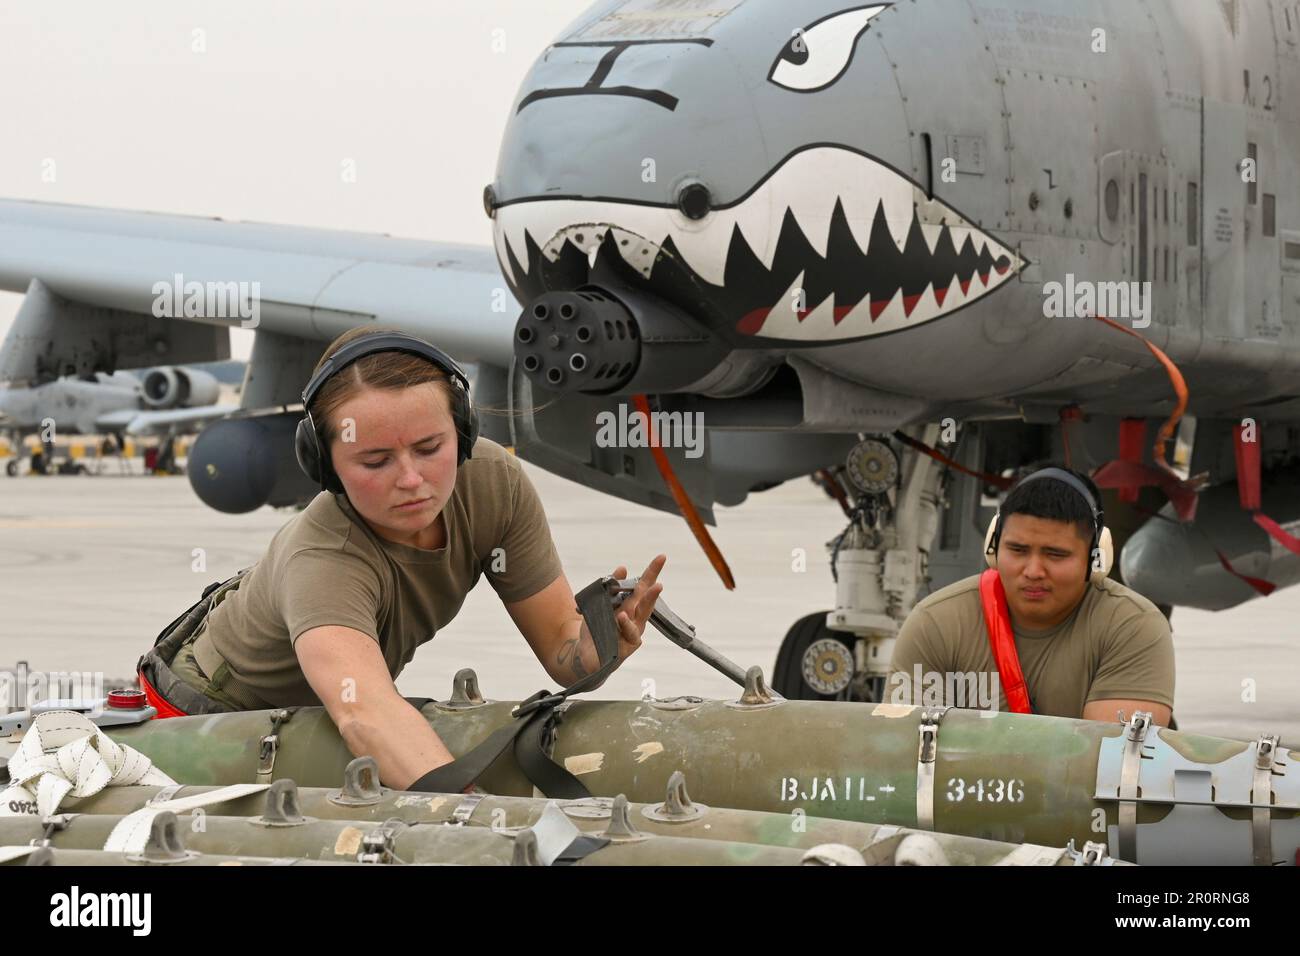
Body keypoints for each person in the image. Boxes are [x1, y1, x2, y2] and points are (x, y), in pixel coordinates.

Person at [138, 325, 667, 789]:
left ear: (461, 434)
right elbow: (365, 713)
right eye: (375, 460)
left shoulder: (491, 483)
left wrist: (602, 646)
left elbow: (562, 650)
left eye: (430, 448)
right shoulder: (325, 553)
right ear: (326, 466)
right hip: (207, 721)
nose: (412, 480)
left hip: (328, 712)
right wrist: (474, 822)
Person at [887, 466, 1173, 724]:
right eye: (1018, 550)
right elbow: (901, 749)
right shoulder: (936, 623)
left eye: (1055, 554)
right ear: (993, 547)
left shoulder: (1131, 626)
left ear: (1095, 559)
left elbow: (1113, 760)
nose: (1033, 570)